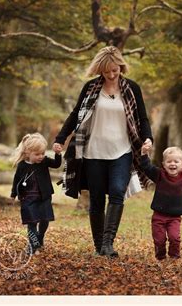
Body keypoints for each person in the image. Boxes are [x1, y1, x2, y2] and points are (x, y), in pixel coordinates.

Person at [53, 46, 153, 258]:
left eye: (115, 70)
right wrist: (60, 139)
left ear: (120, 67)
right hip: (93, 152)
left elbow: (142, 118)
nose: (111, 74)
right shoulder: (90, 88)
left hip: (122, 151)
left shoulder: (132, 88)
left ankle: (108, 243)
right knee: (97, 200)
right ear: (100, 69)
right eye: (106, 71)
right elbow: (75, 115)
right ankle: (99, 246)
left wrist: (147, 139)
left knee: (117, 192)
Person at [140, 144, 182, 260]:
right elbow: (147, 168)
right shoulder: (159, 175)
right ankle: (160, 258)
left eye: (176, 161)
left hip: (174, 217)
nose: (172, 164)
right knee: (159, 240)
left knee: (174, 237)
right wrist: (144, 154)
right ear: (163, 164)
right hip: (158, 216)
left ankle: (174, 257)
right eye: (169, 161)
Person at [10, 133, 62, 255]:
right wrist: (13, 194)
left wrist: (58, 154)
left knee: (45, 220)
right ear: (28, 152)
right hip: (28, 199)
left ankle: (40, 237)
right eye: (37, 154)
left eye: (43, 153)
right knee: (31, 223)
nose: (41, 156)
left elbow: (56, 164)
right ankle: (33, 246)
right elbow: (16, 179)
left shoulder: (44, 161)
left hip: (44, 197)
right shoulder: (22, 165)